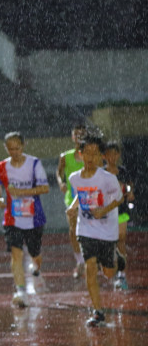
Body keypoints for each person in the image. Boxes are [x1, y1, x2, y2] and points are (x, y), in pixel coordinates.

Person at [66, 133, 124, 327]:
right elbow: (81, 195)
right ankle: (98, 312)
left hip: (107, 231)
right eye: (87, 153)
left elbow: (119, 198)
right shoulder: (74, 178)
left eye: (95, 153)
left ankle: (116, 258)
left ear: (101, 156)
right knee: (90, 268)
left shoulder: (108, 179)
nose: (90, 157)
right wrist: (73, 208)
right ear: (80, 154)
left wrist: (103, 210)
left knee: (108, 273)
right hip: (86, 230)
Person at [0, 132, 49, 307]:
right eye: (10, 149)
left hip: (34, 217)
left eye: (17, 148)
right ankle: (21, 292)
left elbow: (45, 188)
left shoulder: (34, 164)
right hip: (12, 218)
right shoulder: (1, 167)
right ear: (5, 148)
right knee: (16, 254)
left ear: (23, 146)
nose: (14, 152)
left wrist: (22, 192)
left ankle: (36, 271)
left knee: (35, 254)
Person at [56, 124, 87, 278]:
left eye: (82, 134)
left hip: (90, 198)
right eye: (76, 134)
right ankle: (80, 261)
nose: (79, 137)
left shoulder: (91, 154)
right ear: (72, 137)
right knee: (73, 230)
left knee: (92, 228)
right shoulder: (65, 156)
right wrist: (61, 183)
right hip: (72, 198)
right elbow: (58, 172)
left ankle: (94, 259)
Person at [103, 141, 135, 290]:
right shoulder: (101, 172)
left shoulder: (122, 171)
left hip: (121, 210)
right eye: (109, 154)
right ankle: (110, 268)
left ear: (119, 155)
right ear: (104, 156)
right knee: (109, 243)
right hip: (105, 212)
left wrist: (130, 192)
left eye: (115, 154)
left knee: (121, 239)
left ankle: (122, 274)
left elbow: (129, 185)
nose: (112, 157)